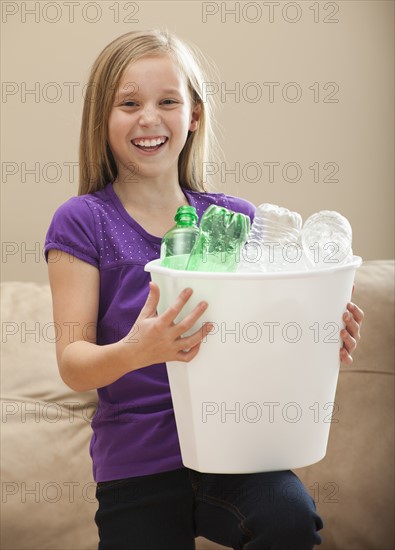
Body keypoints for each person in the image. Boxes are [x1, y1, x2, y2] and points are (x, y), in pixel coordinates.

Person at [44, 29, 364, 550]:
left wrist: (321, 331)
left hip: (238, 450)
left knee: (289, 517)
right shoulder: (83, 221)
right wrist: (137, 350)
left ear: (193, 114)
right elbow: (73, 363)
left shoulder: (237, 220)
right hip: (138, 461)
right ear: (101, 118)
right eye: (129, 103)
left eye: (167, 101)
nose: (149, 117)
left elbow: (268, 337)